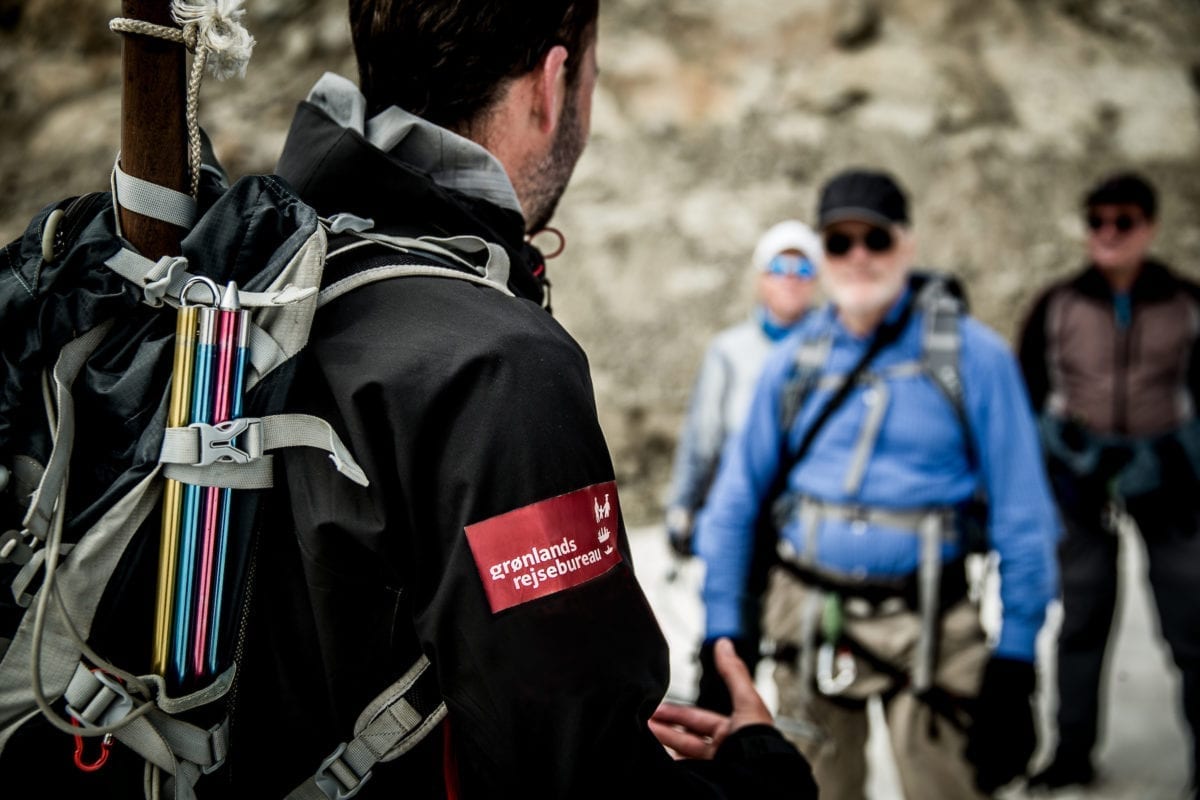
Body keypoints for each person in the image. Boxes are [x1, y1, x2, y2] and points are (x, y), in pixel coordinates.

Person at [217, 3, 816, 799]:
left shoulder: (246, 279)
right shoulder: (499, 367)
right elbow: (582, 785)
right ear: (554, 83)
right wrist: (761, 773)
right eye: (591, 79)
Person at [696, 167, 1060, 799]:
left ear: (907, 245)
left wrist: (1017, 660)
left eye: (876, 240)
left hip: (934, 628)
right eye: (840, 242)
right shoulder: (793, 365)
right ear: (822, 253)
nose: (859, 257)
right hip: (806, 625)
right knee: (809, 792)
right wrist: (722, 639)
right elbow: (734, 505)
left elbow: (1024, 514)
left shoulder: (974, 357)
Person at [1019, 172, 1200, 794]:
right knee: (1081, 621)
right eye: (1097, 220)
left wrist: (1172, 457)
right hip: (1081, 490)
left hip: (1171, 490)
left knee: (1192, 624)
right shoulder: (1058, 304)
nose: (1108, 234)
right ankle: (1071, 755)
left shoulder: (1185, 303)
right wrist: (1067, 454)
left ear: (1148, 226)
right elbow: (1029, 397)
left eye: (1122, 221)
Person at [666, 220, 823, 560]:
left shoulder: (837, 350)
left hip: (812, 521)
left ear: (816, 280)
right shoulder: (728, 351)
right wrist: (683, 507)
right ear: (761, 278)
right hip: (741, 515)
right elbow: (702, 438)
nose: (791, 278)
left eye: (803, 268)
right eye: (779, 267)